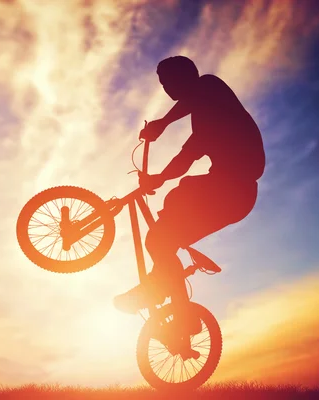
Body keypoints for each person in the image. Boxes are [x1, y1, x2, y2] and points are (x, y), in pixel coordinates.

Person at [113, 56, 265, 331]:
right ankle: (175, 308)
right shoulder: (204, 122)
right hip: (229, 192)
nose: (165, 88)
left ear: (185, 76)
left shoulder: (210, 87)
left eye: (167, 81)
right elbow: (185, 159)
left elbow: (196, 97)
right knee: (160, 241)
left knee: (178, 198)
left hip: (234, 188)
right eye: (161, 83)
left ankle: (157, 290)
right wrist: (157, 178)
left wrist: (162, 123)